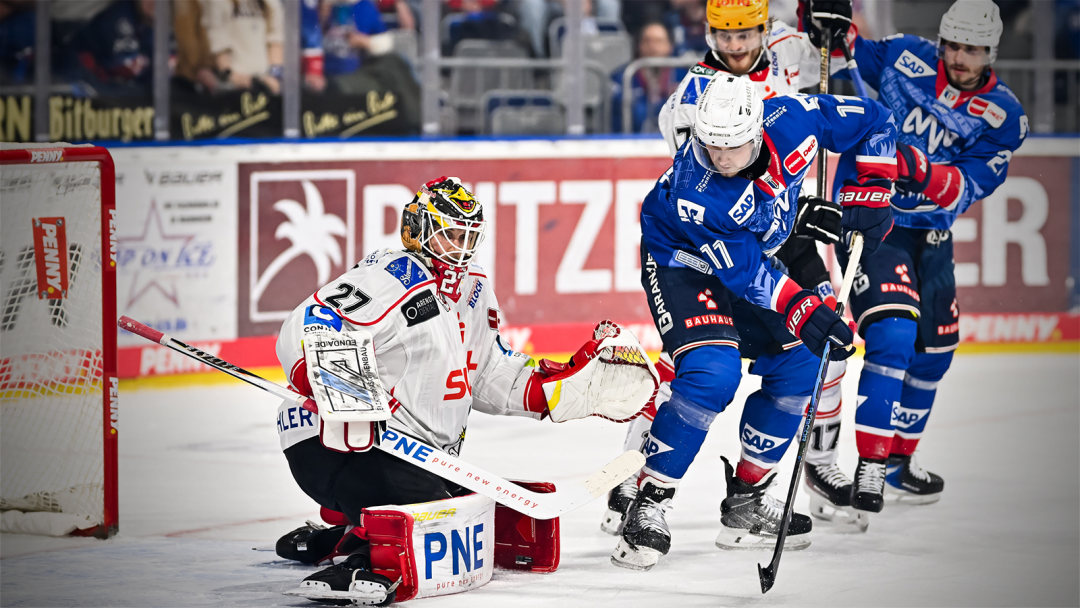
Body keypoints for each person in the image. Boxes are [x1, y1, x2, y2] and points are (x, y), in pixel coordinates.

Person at [272, 177, 658, 603]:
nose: (460, 247)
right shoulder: (390, 276)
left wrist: (555, 389)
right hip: (337, 443)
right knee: (432, 516)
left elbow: (487, 370)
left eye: (468, 237)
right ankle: (364, 556)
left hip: (413, 455)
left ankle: (342, 535)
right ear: (416, 230)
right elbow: (312, 319)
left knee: (460, 505)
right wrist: (344, 397)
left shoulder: (474, 288)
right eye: (451, 235)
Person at [602, 0, 866, 540]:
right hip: (705, 245)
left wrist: (829, 27)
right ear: (709, 33)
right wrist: (785, 218)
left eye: (746, 33)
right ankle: (636, 478)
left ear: (765, 29)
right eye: (726, 35)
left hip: (773, 233)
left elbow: (845, 71)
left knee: (813, 357)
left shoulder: (791, 48)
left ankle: (787, 477)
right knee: (702, 369)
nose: (737, 45)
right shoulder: (689, 102)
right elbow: (723, 192)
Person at [800, 0, 1027, 513]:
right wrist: (822, 16)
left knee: (935, 352)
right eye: (953, 45)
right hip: (871, 219)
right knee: (894, 336)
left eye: (972, 49)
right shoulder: (905, 56)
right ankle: (871, 464)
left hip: (931, 232)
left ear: (990, 52)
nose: (960, 57)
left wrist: (911, 164)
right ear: (941, 42)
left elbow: (965, 187)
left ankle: (899, 461)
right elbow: (841, 47)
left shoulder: (1005, 116)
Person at [611, 21, 684, 133]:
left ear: (670, 46)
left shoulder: (683, 77)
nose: (653, 47)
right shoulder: (623, 77)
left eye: (659, 41)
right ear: (639, 45)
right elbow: (635, 118)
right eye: (647, 41)